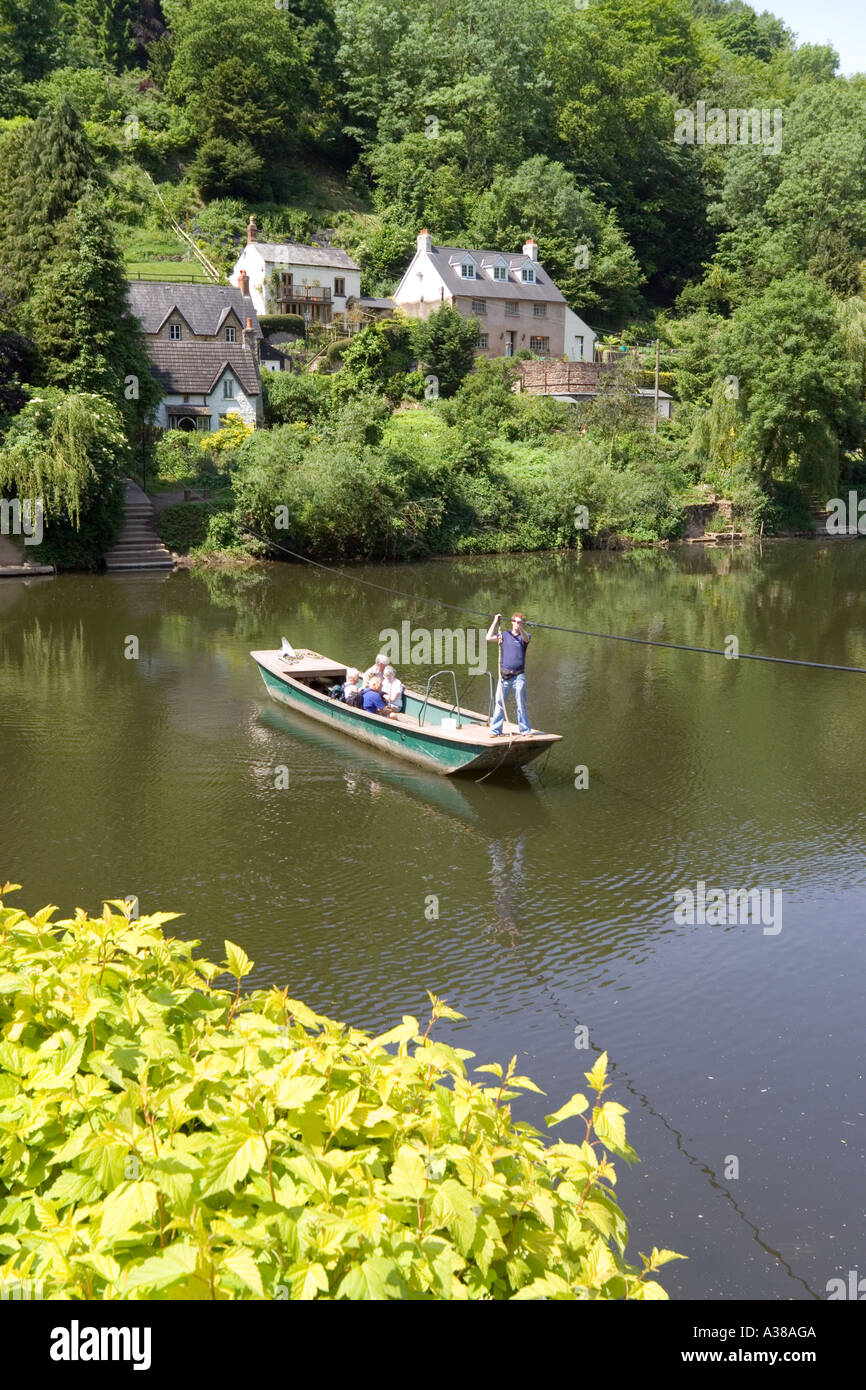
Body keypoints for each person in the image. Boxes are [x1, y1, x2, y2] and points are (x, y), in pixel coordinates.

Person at [486, 611, 532, 736]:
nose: (517, 624)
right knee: (499, 703)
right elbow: (488, 637)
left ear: (522, 624)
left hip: (519, 676)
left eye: (520, 622)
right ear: (511, 622)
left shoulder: (525, 636)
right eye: (515, 622)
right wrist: (495, 621)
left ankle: (525, 731)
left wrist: (521, 627)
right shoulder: (504, 635)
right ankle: (495, 730)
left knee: (521, 704)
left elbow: (526, 639)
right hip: (505, 676)